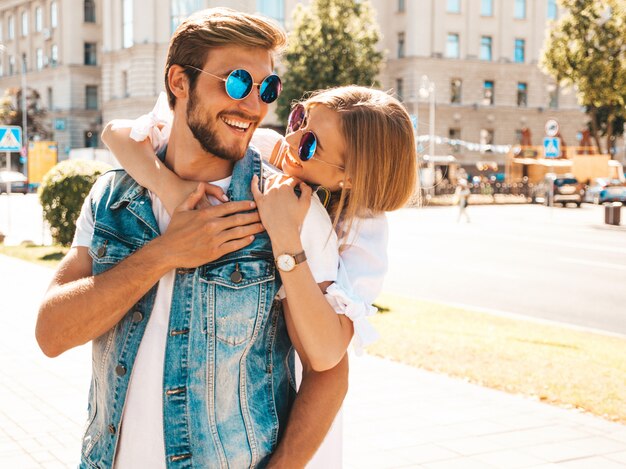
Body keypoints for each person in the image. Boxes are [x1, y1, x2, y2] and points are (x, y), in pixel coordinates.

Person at [35, 8, 349, 468]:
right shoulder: (112, 196)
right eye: (238, 82)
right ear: (179, 82)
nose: (254, 105)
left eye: (267, 89)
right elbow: (51, 334)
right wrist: (164, 253)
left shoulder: (289, 210)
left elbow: (329, 373)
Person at [103, 85, 418, 466]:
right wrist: (172, 190)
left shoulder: (361, 231)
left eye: (311, 144)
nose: (292, 138)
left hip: (302, 419)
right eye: (300, 118)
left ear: (349, 178)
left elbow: (325, 355)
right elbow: (117, 133)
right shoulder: (268, 147)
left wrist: (286, 239)